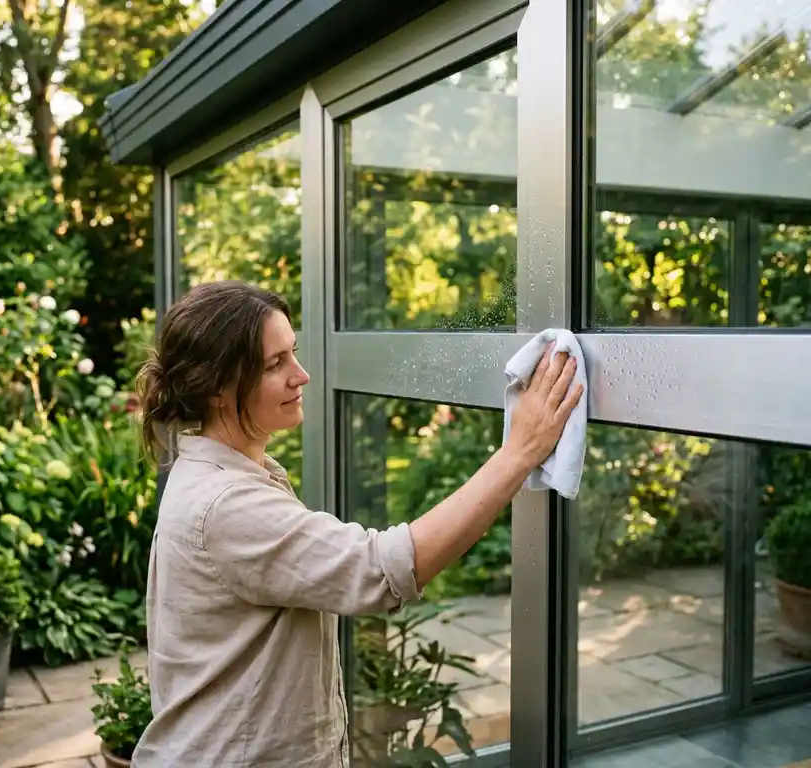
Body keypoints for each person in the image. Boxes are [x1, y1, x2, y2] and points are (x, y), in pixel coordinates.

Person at [131, 280, 583, 768]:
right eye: (274, 363)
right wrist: (519, 453)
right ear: (218, 388)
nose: (301, 375)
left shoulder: (220, 477)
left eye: (294, 353)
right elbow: (381, 570)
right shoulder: (226, 504)